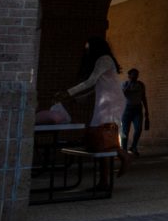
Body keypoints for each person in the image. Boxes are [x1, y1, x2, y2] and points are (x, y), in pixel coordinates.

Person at [55, 36, 131, 187]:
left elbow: (91, 81)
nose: (86, 49)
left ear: (96, 47)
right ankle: (104, 178)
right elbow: (99, 85)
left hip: (111, 101)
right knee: (102, 138)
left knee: (104, 137)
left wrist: (69, 92)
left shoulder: (104, 59)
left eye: (88, 46)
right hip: (107, 100)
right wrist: (78, 97)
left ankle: (123, 156)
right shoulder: (103, 60)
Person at [121, 68, 150, 155]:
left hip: (138, 109)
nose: (136, 76)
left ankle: (133, 146)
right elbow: (123, 94)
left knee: (138, 129)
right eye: (133, 74)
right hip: (127, 110)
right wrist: (129, 84)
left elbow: (143, 98)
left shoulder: (141, 84)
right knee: (125, 131)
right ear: (129, 75)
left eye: (137, 74)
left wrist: (147, 111)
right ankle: (124, 150)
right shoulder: (124, 84)